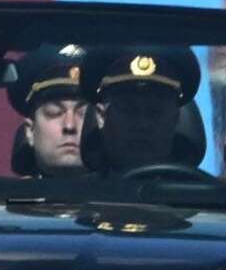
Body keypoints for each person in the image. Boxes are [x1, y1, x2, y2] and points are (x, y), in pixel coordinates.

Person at [80, 47, 202, 175]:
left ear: (175, 120)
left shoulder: (206, 194)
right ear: (101, 116)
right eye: (128, 110)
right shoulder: (76, 194)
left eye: (155, 111)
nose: (142, 124)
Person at [5, 44, 88, 177]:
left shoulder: (131, 194)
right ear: (30, 130)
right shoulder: (5, 197)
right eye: (54, 112)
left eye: (83, 113)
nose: (69, 126)